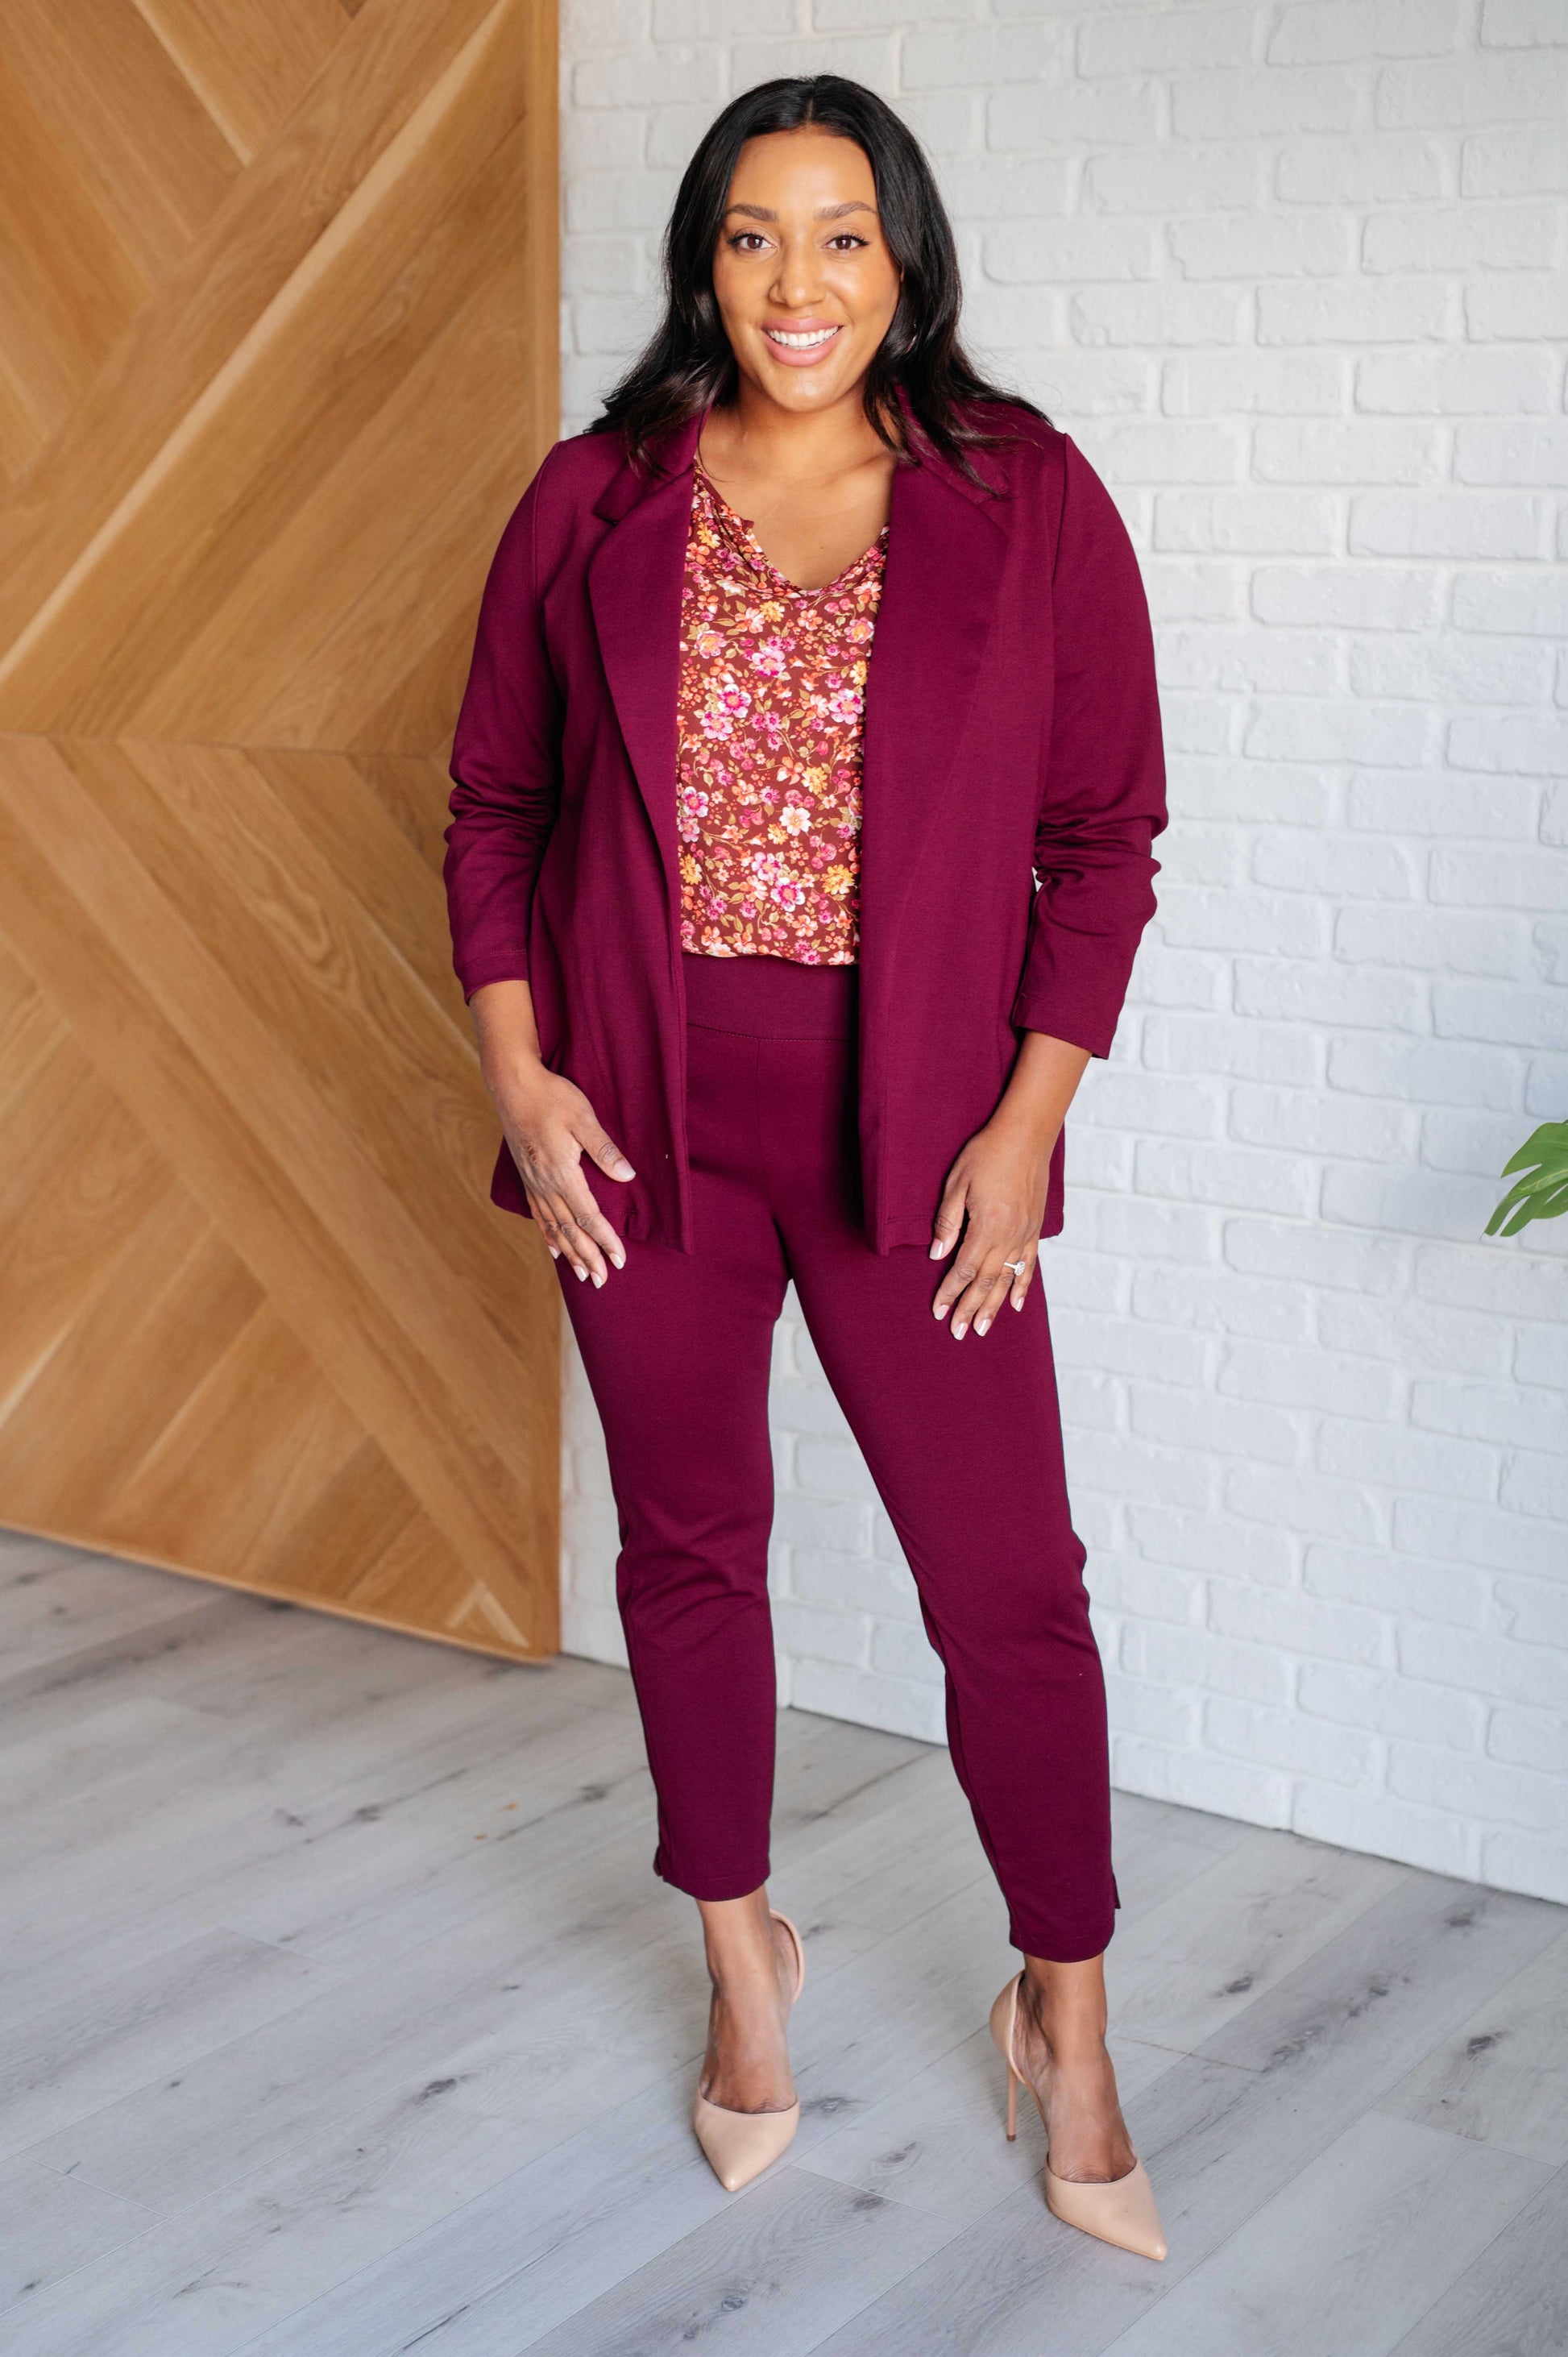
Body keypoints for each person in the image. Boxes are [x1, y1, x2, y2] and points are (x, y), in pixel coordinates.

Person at [443, 75, 1168, 2260]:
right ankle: (738, 1958)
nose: (796, 281)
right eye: (752, 234)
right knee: (690, 1549)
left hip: (920, 1127)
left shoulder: (1022, 491)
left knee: (1006, 1587)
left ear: (905, 260)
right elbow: (494, 808)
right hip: (640, 1115)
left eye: (841, 234)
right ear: (702, 260)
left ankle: (1065, 2013)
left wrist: (1025, 1131)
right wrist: (522, 1085)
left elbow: (1100, 844)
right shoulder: (596, 494)